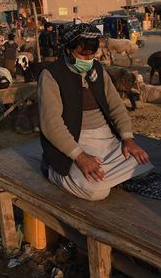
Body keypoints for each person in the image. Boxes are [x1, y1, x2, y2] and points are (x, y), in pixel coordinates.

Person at [38, 23, 153, 201]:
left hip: (106, 139)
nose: (88, 59)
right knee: (97, 192)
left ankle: (103, 172)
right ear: (68, 50)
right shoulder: (51, 75)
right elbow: (51, 123)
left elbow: (116, 107)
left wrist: (128, 139)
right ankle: (54, 172)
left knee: (141, 166)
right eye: (83, 55)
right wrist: (80, 156)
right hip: (75, 141)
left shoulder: (97, 69)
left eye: (91, 55)